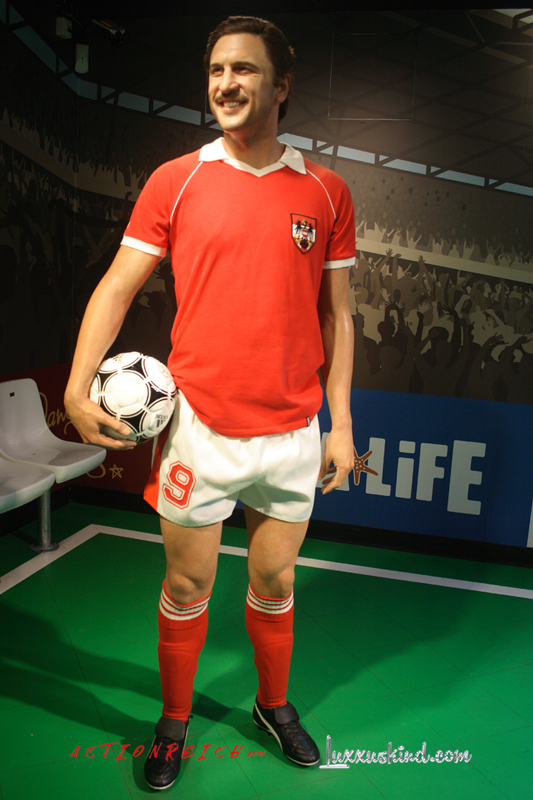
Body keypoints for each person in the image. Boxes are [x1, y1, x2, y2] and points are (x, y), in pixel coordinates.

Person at [64, 15, 356, 791]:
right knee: (188, 587)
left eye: (244, 69)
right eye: (216, 70)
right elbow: (116, 286)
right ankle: (173, 719)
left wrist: (341, 426)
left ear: (281, 85)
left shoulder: (326, 191)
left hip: (293, 428)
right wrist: (75, 384)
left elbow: (340, 317)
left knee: (276, 584)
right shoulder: (177, 179)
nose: (225, 83)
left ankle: (272, 703)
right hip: (200, 428)